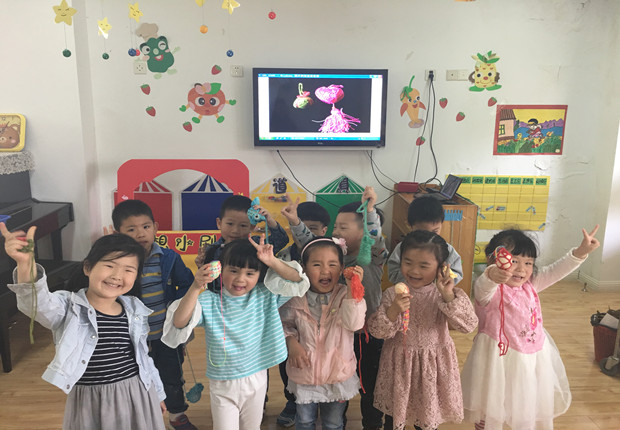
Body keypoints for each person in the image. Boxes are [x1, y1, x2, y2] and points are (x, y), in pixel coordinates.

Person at [1, 223, 167, 430]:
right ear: (88, 268)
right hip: (92, 400)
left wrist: (158, 394)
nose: (117, 275)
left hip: (138, 393)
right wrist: (25, 265)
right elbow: (36, 305)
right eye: (110, 265)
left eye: (128, 269)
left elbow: (144, 358)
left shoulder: (133, 309)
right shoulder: (68, 307)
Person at [161, 236, 310, 430]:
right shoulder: (210, 300)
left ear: (260, 274)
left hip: (256, 376)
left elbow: (298, 280)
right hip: (223, 382)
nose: (240, 279)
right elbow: (179, 322)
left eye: (250, 273)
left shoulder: (266, 294)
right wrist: (196, 287)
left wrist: (271, 261)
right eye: (233, 271)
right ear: (221, 269)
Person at [461, 226, 600, 430]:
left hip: (530, 356)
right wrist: (492, 274)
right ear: (493, 259)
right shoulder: (489, 291)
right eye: (514, 261)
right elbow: (484, 285)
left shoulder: (531, 285)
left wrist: (581, 252)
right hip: (496, 358)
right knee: (490, 401)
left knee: (524, 399)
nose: (521, 269)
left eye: (528, 263)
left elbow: (556, 270)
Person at [284, 186, 389, 430]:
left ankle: (371, 424)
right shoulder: (334, 258)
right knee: (337, 376)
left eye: (343, 227)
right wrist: (296, 223)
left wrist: (370, 211)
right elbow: (312, 245)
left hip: (369, 332)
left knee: (369, 384)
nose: (336, 231)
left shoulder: (373, 256)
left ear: (363, 231)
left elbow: (375, 236)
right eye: (336, 227)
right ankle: (335, 418)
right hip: (338, 331)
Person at [368, 230, 478, 430]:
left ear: (442, 267)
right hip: (400, 366)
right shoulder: (392, 293)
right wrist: (394, 310)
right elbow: (378, 331)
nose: (414, 271)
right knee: (395, 417)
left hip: (433, 367)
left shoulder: (444, 294)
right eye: (408, 262)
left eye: (423, 265)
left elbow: (468, 325)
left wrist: (448, 295)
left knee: (427, 416)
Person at [112, 199, 197, 430]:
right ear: (117, 233)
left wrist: (177, 312)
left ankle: (177, 415)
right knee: (135, 377)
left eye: (146, 226)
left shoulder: (168, 257)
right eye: (131, 229)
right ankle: (142, 417)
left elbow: (186, 284)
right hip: (132, 338)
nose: (140, 233)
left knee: (172, 376)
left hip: (165, 334)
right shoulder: (118, 262)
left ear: (155, 227)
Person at [279, 237, 367, 430]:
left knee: (333, 423)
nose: (325, 270)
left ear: (342, 268)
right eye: (317, 264)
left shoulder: (345, 295)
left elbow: (354, 324)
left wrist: (352, 290)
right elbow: (283, 324)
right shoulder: (295, 297)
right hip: (304, 374)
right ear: (304, 268)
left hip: (337, 375)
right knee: (304, 421)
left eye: (332, 264)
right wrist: (291, 341)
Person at [276, 198, 331, 427]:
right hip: (291, 319)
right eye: (301, 227)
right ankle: (293, 400)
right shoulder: (283, 256)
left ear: (324, 230)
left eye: (313, 228)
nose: (306, 233)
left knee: (326, 361)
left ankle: (329, 404)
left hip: (322, 320)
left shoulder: (330, 253)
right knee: (288, 361)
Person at [195, 194, 289, 292]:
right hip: (221, 299)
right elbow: (209, 282)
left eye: (243, 225)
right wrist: (201, 266)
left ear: (252, 227)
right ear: (219, 223)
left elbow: (282, 239)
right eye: (230, 224)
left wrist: (269, 220)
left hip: (255, 298)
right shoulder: (211, 250)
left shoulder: (257, 245)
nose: (235, 230)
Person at [388, 195, 463, 285]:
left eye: (435, 231)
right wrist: (411, 276)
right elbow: (393, 272)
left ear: (441, 224)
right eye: (422, 232)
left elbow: (457, 274)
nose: (428, 237)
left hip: (437, 292)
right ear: (409, 225)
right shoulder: (403, 247)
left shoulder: (447, 249)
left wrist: (444, 277)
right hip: (408, 291)